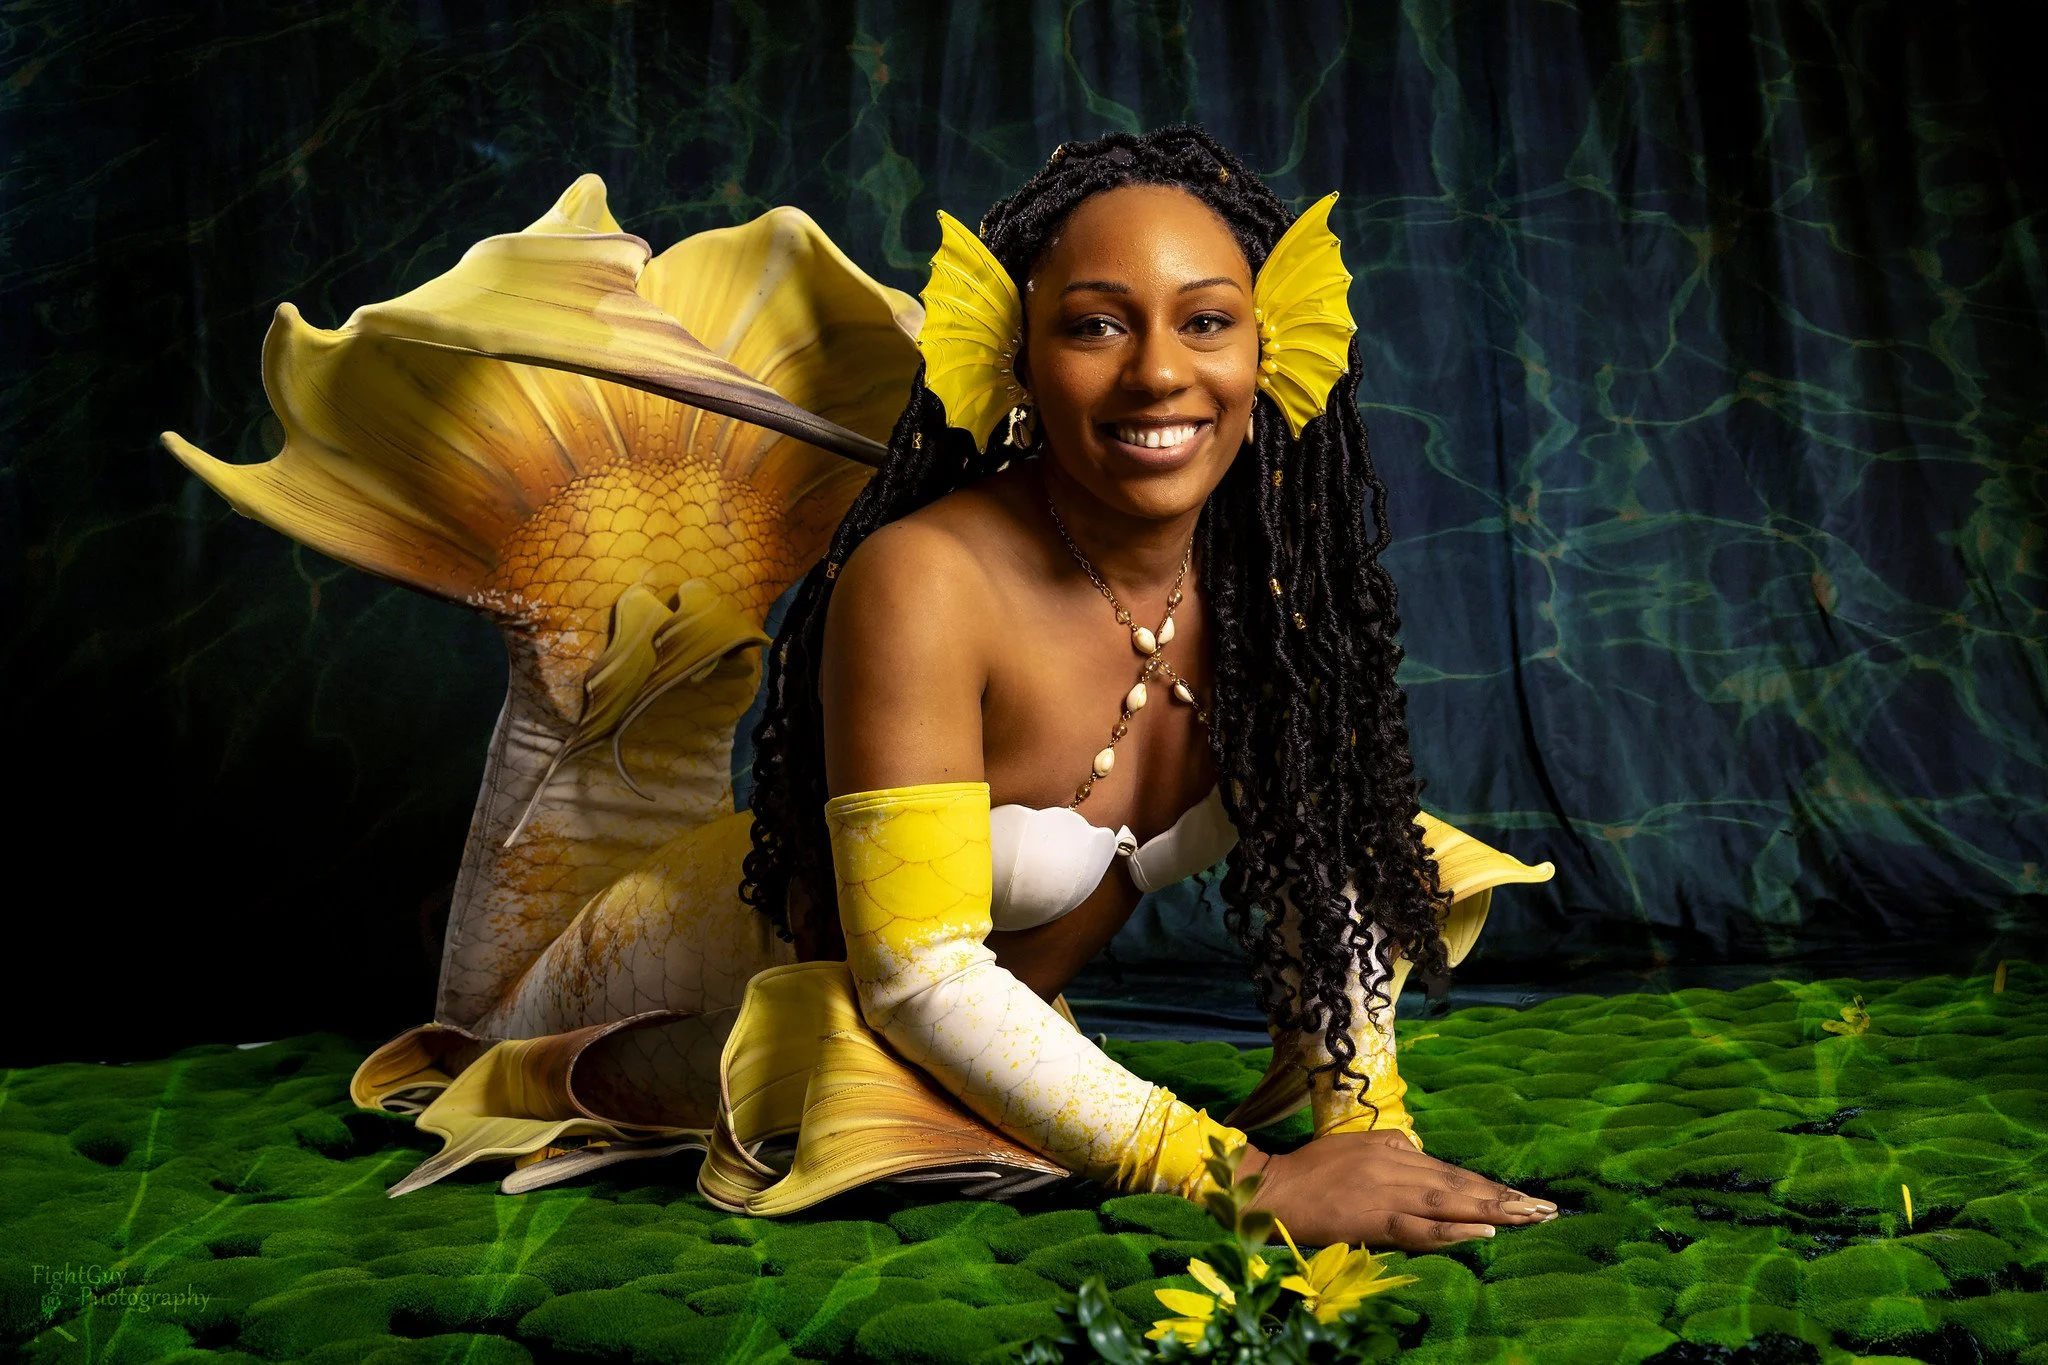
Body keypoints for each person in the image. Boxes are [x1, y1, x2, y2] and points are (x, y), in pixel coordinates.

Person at [163, 125, 1556, 1252]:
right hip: (637, 986)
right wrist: (1243, 1178)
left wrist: (1368, 1125)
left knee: (1377, 854)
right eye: (1095, 326)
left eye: (1207, 322)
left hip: (913, 1020)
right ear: (1014, 356)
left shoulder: (1274, 594)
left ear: (1274, 349)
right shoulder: (924, 577)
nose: (1159, 373)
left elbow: (1330, 860)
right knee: (921, 1098)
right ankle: (570, 754)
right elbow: (920, 976)